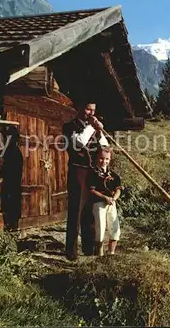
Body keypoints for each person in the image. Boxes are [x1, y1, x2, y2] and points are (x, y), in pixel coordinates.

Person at [62, 99, 109, 261]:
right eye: (88, 110)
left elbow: (105, 148)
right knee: (76, 210)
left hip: (92, 173)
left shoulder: (94, 129)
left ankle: (88, 249)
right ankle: (71, 252)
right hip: (77, 171)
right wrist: (92, 127)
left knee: (90, 209)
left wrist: (101, 131)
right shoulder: (69, 126)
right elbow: (79, 142)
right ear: (80, 109)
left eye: (93, 110)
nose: (92, 113)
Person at [85, 146, 122, 256]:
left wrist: (113, 199)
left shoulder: (114, 175)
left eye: (107, 159)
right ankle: (99, 254)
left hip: (111, 203)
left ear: (110, 159)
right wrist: (105, 198)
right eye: (101, 158)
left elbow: (118, 190)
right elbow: (91, 190)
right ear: (96, 158)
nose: (104, 161)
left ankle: (111, 253)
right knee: (100, 227)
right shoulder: (92, 173)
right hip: (98, 203)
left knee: (114, 228)